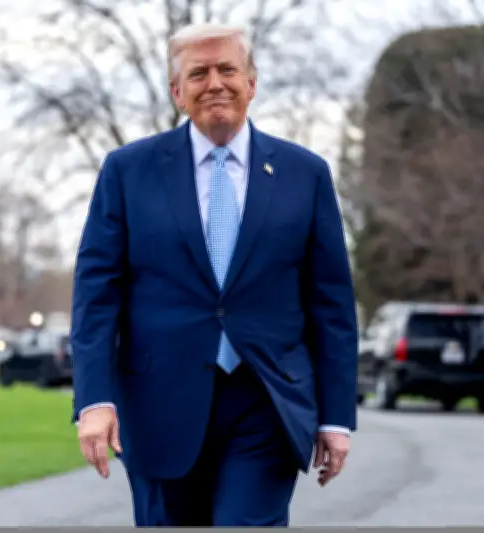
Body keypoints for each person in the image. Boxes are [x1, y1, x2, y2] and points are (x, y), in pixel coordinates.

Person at [70, 23, 358, 527]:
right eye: (198, 73)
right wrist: (94, 399)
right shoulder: (128, 171)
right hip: (159, 404)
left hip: (267, 401)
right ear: (177, 92)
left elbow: (331, 305)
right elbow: (96, 297)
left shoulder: (305, 174)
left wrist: (336, 418)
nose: (215, 83)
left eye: (228, 69)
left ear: (252, 83)